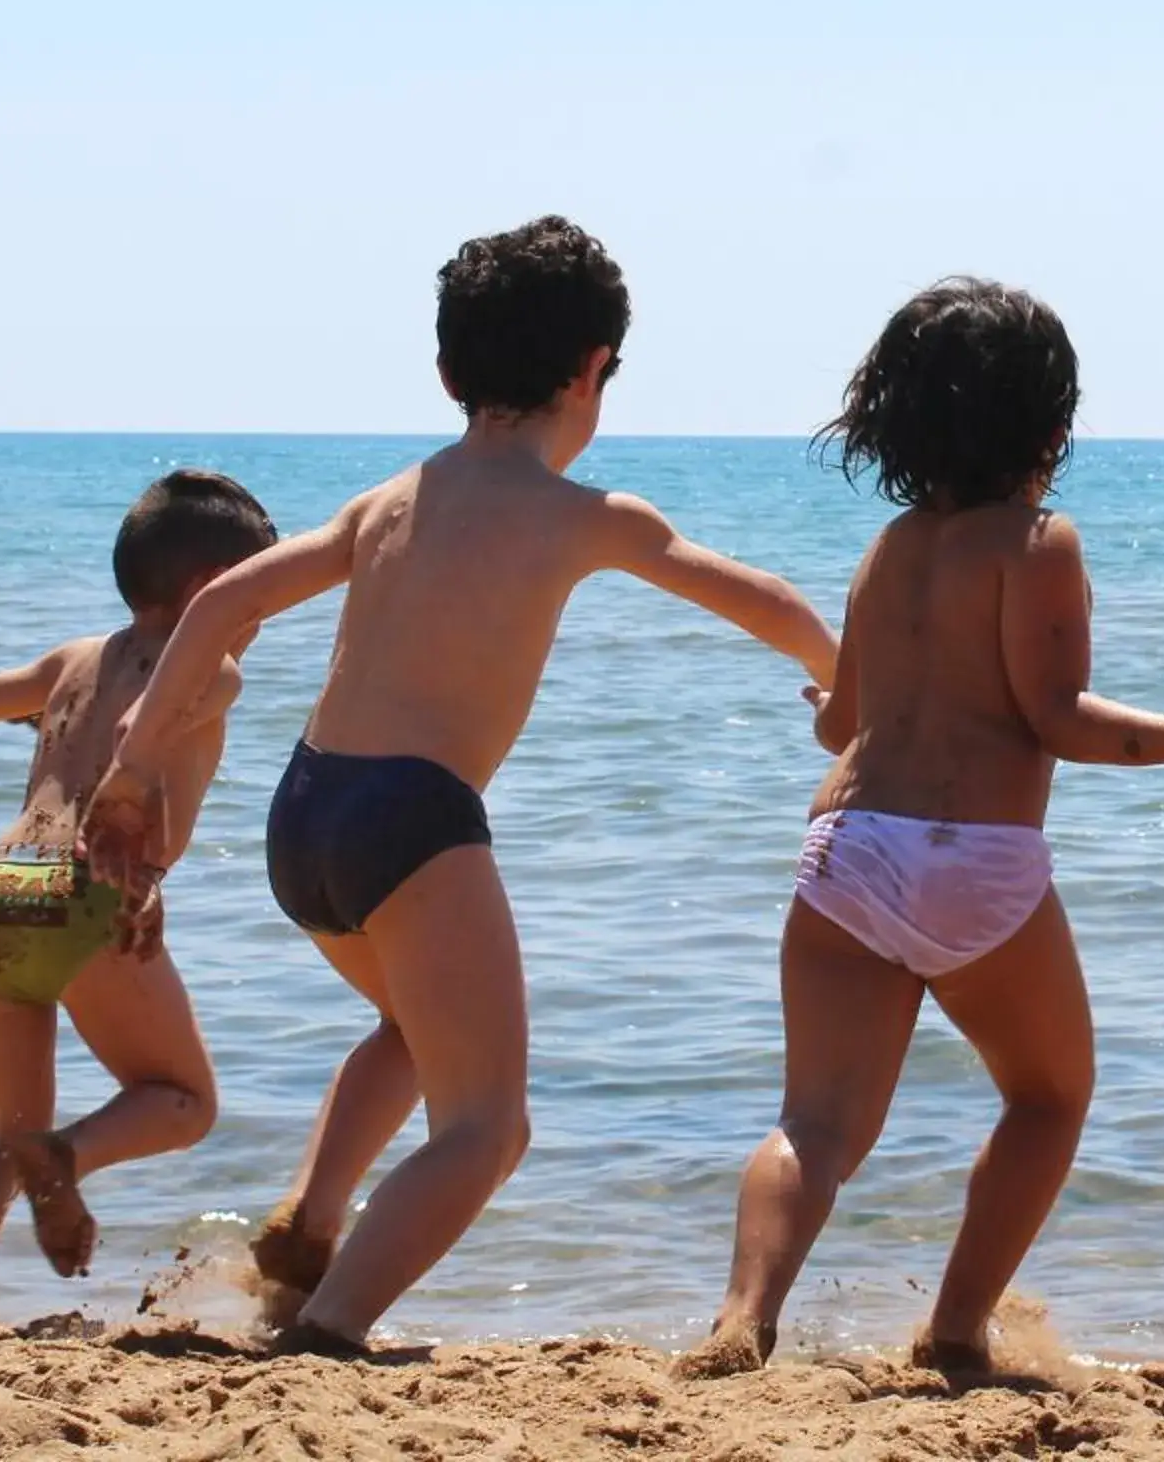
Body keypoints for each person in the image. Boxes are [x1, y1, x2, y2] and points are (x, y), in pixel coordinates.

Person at [84, 216, 839, 1355]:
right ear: (593, 373)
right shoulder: (591, 516)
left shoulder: (388, 500)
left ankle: (309, 1222)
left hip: (308, 811)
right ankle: (327, 1334)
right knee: (486, 1126)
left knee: (410, 1022)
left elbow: (220, 602)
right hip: (414, 818)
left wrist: (135, 762)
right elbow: (764, 599)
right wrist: (842, 685)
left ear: (447, 373)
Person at [683, 278, 1164, 1379]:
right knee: (1050, 1095)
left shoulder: (890, 548)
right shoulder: (1039, 541)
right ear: (1052, 425)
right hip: (974, 863)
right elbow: (1056, 717)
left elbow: (844, 720)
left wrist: (824, 704)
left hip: (850, 849)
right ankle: (958, 1324)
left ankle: (743, 1312)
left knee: (816, 1125)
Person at [0, 469, 279, 1324]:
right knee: (183, 1101)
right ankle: (65, 1157)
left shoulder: (73, 660)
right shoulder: (215, 671)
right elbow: (140, 735)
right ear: (209, 594)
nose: (258, 626)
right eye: (255, 601)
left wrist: (41, 709)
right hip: (93, 895)